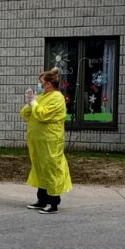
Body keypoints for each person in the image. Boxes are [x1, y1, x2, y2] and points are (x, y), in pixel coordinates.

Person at [21, 67, 72, 213]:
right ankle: (42, 199)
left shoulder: (57, 97)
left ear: (49, 83)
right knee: (40, 169)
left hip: (50, 141)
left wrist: (35, 104)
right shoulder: (43, 96)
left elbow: (43, 115)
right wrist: (29, 103)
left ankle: (53, 202)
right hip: (38, 141)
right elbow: (26, 115)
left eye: (41, 82)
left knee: (51, 169)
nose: (40, 85)